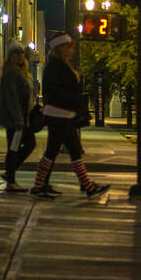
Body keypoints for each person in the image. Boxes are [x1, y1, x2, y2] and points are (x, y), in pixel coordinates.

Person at [29, 32, 109, 200]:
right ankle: (38, 186)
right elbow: (55, 90)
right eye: (68, 47)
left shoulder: (59, 65)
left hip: (65, 114)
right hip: (59, 114)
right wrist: (74, 100)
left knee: (74, 150)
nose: (71, 50)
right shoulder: (55, 66)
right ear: (60, 48)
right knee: (53, 151)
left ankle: (87, 186)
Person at [0, 40, 38, 192]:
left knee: (22, 145)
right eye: (16, 54)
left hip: (20, 118)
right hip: (15, 119)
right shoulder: (11, 72)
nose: (20, 56)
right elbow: (12, 96)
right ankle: (11, 180)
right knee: (15, 147)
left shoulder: (19, 71)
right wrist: (18, 118)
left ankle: (10, 174)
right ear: (10, 56)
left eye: (21, 53)